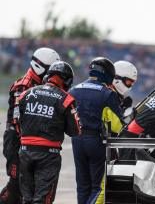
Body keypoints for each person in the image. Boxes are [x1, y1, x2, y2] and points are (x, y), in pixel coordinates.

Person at [0, 47, 60, 204]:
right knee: (16, 187)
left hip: (28, 143)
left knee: (28, 187)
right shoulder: (23, 86)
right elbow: (18, 121)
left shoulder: (40, 86)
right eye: (51, 71)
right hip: (17, 141)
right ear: (40, 67)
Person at [17, 61, 81, 204]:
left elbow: (16, 121)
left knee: (26, 199)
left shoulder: (25, 94)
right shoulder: (66, 99)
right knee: (42, 199)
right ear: (66, 80)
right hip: (48, 156)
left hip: (25, 152)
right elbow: (75, 131)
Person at [70, 57, 124, 204]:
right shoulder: (107, 93)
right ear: (107, 74)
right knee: (97, 188)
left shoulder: (74, 90)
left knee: (82, 186)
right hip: (96, 142)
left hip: (76, 140)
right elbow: (118, 126)